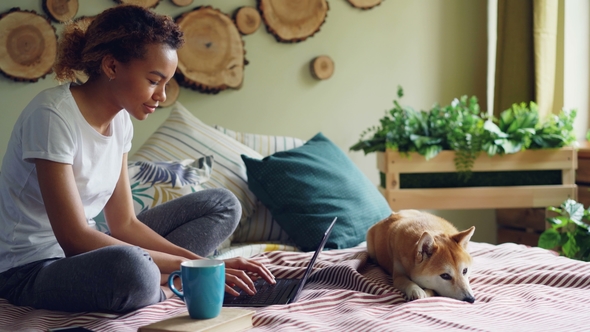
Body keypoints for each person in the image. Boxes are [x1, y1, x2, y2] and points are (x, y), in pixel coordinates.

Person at [0, 5, 274, 313]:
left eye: (167, 83)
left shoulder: (121, 122)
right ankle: (171, 285)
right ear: (112, 67)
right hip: (29, 270)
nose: (162, 95)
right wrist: (190, 264)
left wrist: (202, 264)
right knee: (134, 270)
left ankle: (167, 278)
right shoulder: (52, 116)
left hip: (91, 254)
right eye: (155, 80)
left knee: (223, 205)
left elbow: (125, 224)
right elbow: (74, 238)